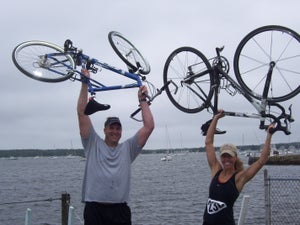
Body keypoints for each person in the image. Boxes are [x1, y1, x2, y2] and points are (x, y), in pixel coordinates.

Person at [77, 69, 154, 225]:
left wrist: (143, 100)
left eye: (118, 128)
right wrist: (85, 83)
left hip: (120, 211)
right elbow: (81, 113)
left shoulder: (128, 149)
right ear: (104, 129)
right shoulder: (92, 143)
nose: (115, 131)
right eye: (111, 128)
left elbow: (149, 127)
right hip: (94, 210)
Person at [202, 109, 274, 225]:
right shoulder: (216, 170)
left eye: (229, 156)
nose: (226, 160)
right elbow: (208, 143)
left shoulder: (239, 178)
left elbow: (261, 160)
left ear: (235, 157)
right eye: (224, 156)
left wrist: (269, 135)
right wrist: (215, 119)